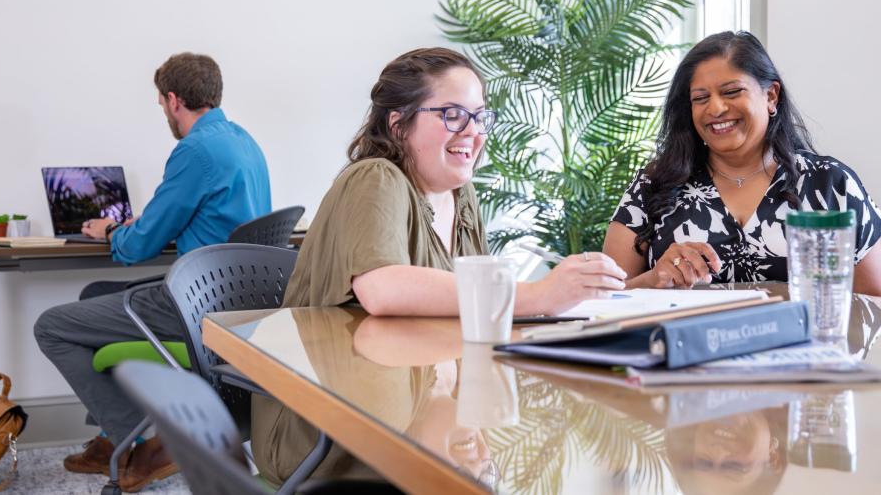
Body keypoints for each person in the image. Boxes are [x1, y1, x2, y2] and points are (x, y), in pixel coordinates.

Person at [251, 47, 626, 485]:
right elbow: (383, 288)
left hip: (409, 408)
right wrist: (537, 295)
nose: (473, 132)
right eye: (452, 114)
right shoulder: (375, 177)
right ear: (398, 122)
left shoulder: (461, 196)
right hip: (325, 435)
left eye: (480, 116)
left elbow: (469, 313)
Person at [33, 53, 271, 492]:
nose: (163, 110)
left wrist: (112, 233)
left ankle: (137, 446)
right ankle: (112, 441)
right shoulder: (243, 141)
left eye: (161, 102)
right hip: (238, 300)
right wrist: (139, 226)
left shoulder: (194, 150)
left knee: (51, 326)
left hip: (197, 304)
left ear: (173, 99)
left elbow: (140, 246)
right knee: (94, 294)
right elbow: (193, 214)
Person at [603, 31, 881, 293]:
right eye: (701, 98)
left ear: (771, 96)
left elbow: (874, 301)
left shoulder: (830, 183)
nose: (716, 108)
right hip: (685, 345)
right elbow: (604, 302)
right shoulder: (654, 185)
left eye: (731, 92)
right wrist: (653, 280)